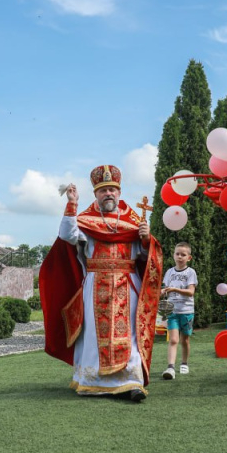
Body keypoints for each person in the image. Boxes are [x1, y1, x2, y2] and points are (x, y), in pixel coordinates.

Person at [39, 165, 163, 402]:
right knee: (94, 335)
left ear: (119, 192)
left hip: (128, 284)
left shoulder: (134, 221)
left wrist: (147, 240)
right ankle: (92, 381)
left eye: (113, 190)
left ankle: (132, 382)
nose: (109, 194)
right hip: (95, 284)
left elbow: (146, 260)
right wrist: (72, 203)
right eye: (103, 190)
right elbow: (67, 235)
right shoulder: (86, 220)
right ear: (96, 193)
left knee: (131, 334)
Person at [160, 241, 197, 380]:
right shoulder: (169, 272)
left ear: (189, 258)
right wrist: (162, 292)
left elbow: (191, 292)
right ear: (173, 255)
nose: (180, 257)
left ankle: (184, 363)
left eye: (183, 254)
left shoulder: (190, 272)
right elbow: (165, 289)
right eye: (177, 254)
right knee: (174, 339)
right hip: (172, 311)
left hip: (187, 311)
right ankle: (170, 368)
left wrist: (175, 289)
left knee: (185, 340)